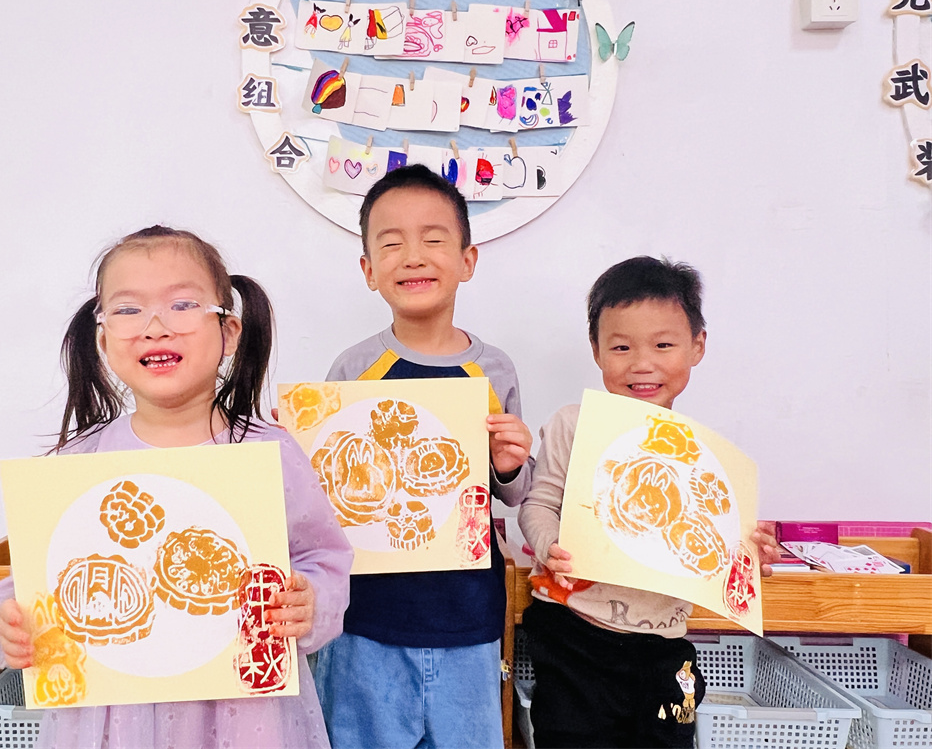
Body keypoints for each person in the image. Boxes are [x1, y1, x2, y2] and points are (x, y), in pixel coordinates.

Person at [0, 225, 353, 749]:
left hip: (245, 714)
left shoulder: (270, 452)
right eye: (128, 309)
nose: (155, 327)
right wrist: (11, 622)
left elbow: (323, 556)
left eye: (182, 305)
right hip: (113, 718)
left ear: (228, 332)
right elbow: (35, 577)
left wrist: (308, 600)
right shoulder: (82, 460)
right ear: (103, 340)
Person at [311, 165, 534, 749]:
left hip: (469, 618)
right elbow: (325, 497)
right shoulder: (352, 369)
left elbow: (514, 491)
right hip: (365, 621)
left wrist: (509, 461)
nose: (413, 257)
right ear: (368, 270)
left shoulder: (494, 369)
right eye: (391, 244)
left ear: (467, 260)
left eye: (434, 239)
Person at [518, 255, 780, 749]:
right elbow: (538, 503)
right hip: (575, 635)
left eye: (663, 345)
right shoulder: (575, 423)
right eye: (621, 347)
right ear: (596, 351)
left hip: (664, 645)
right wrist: (550, 544)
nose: (642, 363)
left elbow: (717, 551)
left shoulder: (703, 455)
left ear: (697, 346)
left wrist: (750, 553)